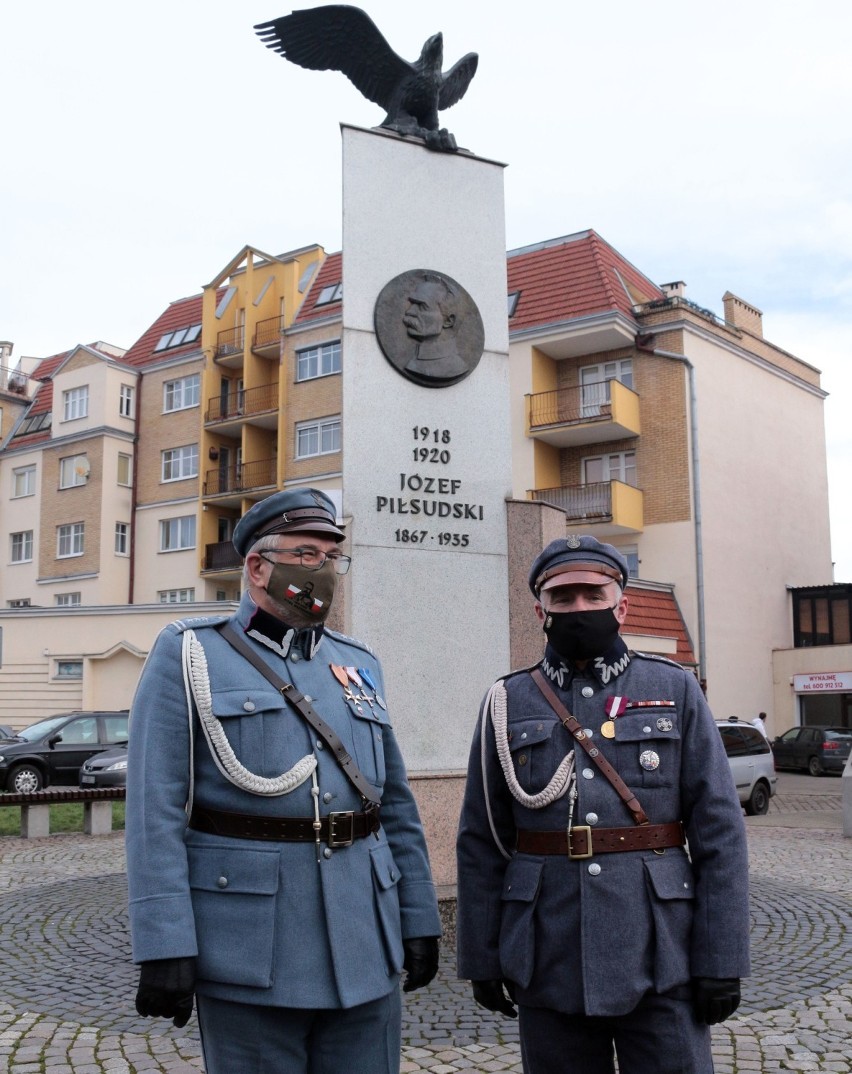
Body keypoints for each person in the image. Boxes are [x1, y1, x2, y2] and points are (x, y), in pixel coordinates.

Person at [126, 487, 441, 1074]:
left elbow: (391, 801)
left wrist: (417, 916)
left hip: (363, 937)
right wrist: (165, 941)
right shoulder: (191, 653)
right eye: (306, 554)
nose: (322, 570)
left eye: (331, 558)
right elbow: (154, 810)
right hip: (251, 943)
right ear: (257, 566)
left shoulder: (358, 662)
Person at [456, 535, 749, 1074]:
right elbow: (482, 838)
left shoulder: (674, 688)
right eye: (562, 598)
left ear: (622, 603)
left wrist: (722, 957)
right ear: (540, 608)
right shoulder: (506, 700)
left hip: (662, 949)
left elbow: (720, 831)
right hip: (547, 947)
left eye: (594, 595)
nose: (578, 609)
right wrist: (482, 955)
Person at [402, 272, 467, 380]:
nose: (409, 312)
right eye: (412, 304)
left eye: (421, 306)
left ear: (448, 321)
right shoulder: (416, 362)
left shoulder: (453, 367)